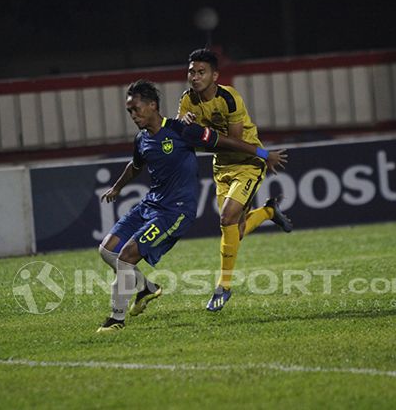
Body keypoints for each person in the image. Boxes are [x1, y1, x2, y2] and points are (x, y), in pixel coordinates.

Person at [96, 79, 286, 333]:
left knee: (127, 257)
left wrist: (263, 154)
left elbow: (225, 141)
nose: (133, 115)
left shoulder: (182, 130)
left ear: (153, 105)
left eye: (136, 108)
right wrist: (117, 187)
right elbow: (135, 165)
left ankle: (116, 320)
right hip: (149, 204)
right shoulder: (141, 139)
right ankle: (146, 289)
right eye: (129, 110)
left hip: (175, 211)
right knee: (107, 251)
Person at [177, 48, 293, 312]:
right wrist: (182, 125)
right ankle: (267, 212)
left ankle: (223, 286)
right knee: (236, 231)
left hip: (248, 163)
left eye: (201, 72)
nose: (194, 77)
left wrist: (198, 135)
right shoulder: (187, 100)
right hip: (221, 168)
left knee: (227, 218)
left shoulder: (229, 99)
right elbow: (180, 130)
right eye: (191, 72)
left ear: (215, 75)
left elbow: (235, 143)